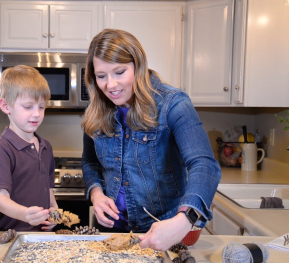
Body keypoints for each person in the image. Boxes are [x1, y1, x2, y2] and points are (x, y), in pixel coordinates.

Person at [81, 29, 221, 251]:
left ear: (138, 66)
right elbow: (90, 162)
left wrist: (184, 221)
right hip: (112, 233)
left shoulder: (173, 104)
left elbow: (204, 164)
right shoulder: (96, 109)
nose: (111, 85)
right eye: (101, 76)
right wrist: (97, 194)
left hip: (163, 232)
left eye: (119, 72)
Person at [0, 65, 58, 231]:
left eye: (41, 107)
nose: (37, 114)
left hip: (40, 236)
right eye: (28, 106)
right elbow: (0, 199)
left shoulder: (46, 147)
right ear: (5, 106)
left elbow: (48, 189)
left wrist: (54, 211)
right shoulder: (1, 149)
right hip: (8, 236)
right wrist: (25, 214)